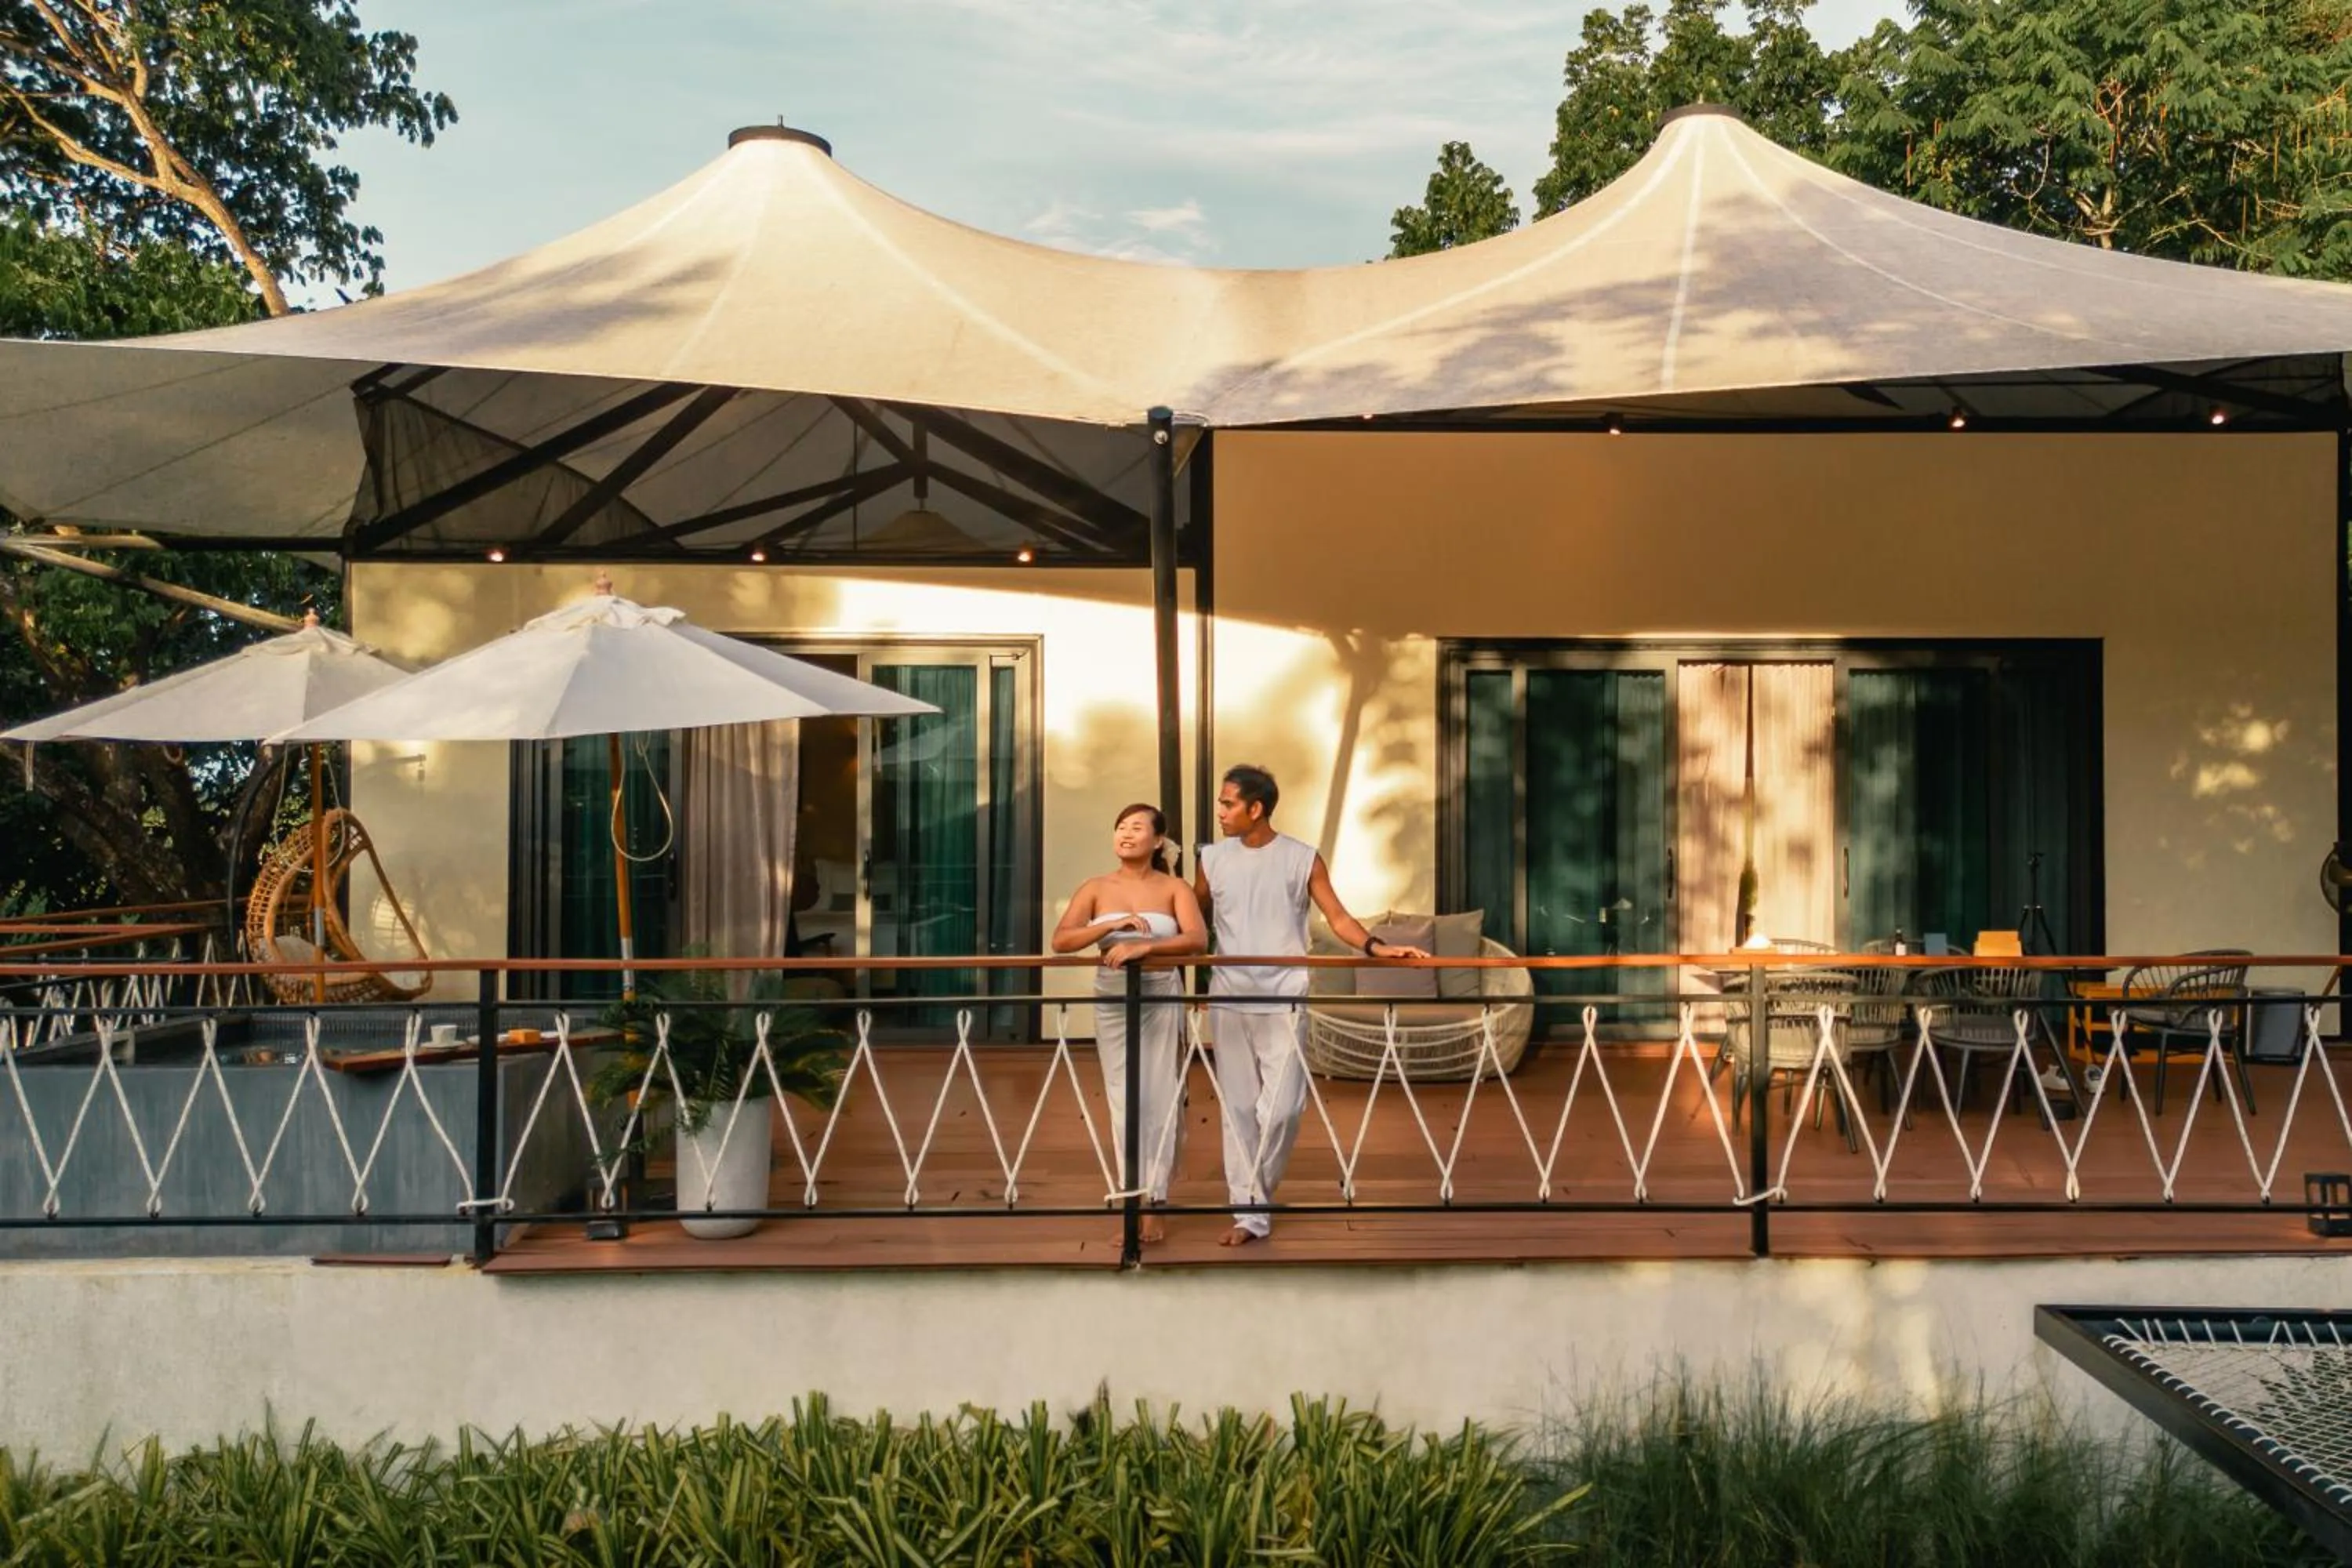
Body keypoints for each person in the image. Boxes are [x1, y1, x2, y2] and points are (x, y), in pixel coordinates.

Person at [1193, 764, 1425, 1247]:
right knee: (1237, 1108)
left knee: (1282, 1110)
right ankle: (1251, 1211)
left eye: (1228, 803)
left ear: (1256, 809)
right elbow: (1192, 920)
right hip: (1229, 996)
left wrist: (1376, 947)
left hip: (1284, 997)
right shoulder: (1212, 859)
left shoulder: (1301, 858)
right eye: (1220, 802)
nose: (1220, 812)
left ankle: (1257, 1194)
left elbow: (1337, 916)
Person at [1051, 802, 1205, 1245]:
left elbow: (1196, 940)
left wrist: (1146, 949)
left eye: (1137, 827)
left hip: (1158, 996)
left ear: (1158, 841)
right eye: (1120, 826)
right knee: (1123, 1099)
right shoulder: (1096, 887)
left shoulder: (1174, 887)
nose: (1125, 833)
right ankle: (1131, 1199)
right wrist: (1112, 926)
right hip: (1113, 999)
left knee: (1157, 1098)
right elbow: (1061, 941)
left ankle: (1155, 1203)